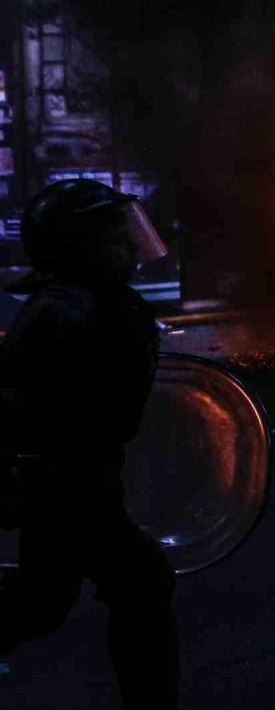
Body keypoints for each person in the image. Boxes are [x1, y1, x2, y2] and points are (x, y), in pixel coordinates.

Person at [0, 179, 179, 708]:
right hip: (66, 484)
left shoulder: (92, 303)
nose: (128, 246)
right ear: (76, 246)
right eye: (111, 236)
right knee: (141, 585)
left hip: (79, 479)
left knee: (42, 603)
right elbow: (49, 419)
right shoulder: (63, 315)